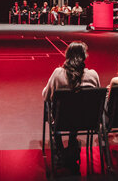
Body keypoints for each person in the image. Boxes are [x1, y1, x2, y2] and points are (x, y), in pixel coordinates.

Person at [42, 42, 100, 171]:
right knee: (78, 108)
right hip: (86, 120)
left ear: (67, 56)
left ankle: (59, 148)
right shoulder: (93, 75)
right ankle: (72, 140)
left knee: (54, 108)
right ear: (84, 56)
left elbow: (46, 96)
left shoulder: (58, 74)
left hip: (61, 120)